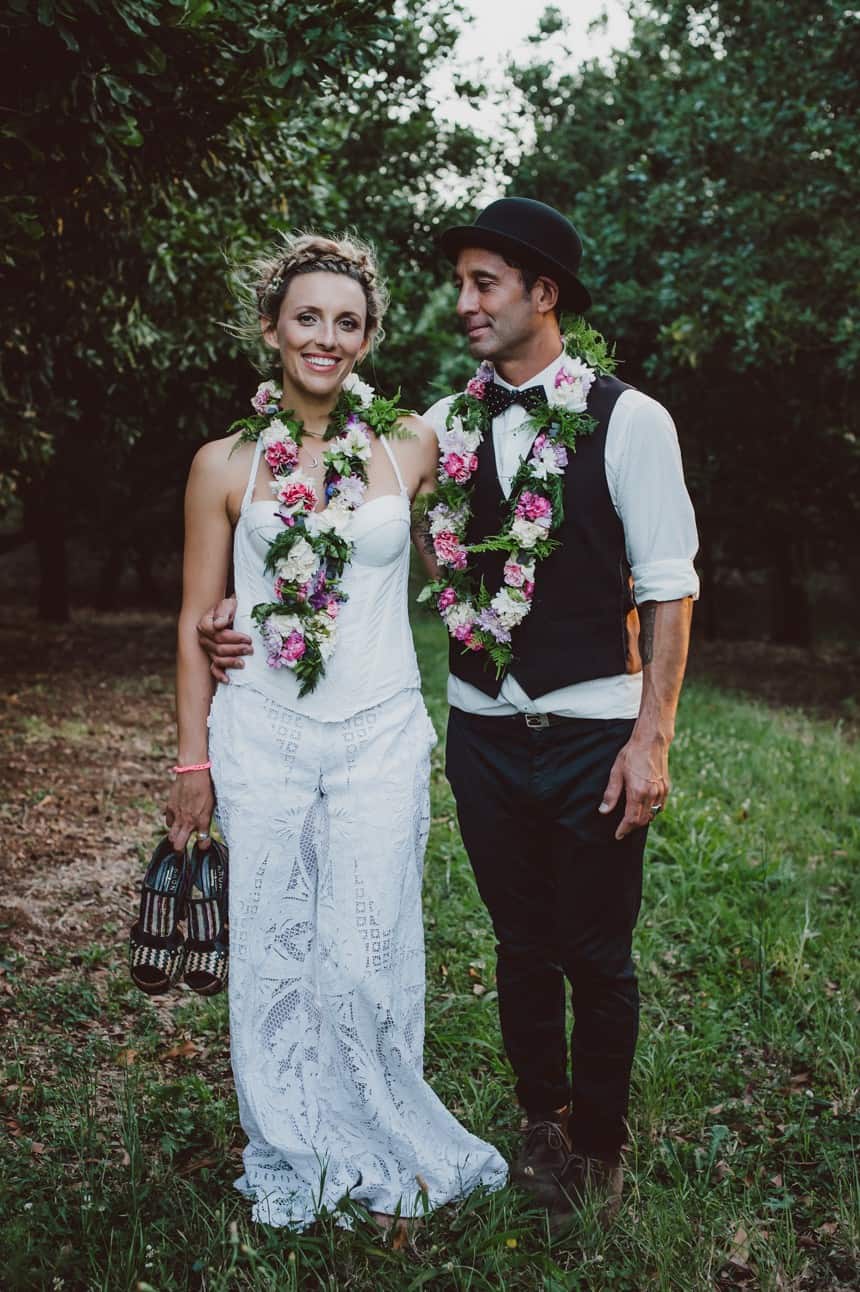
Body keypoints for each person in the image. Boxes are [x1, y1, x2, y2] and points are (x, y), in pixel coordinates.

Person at [199, 200, 699, 1225]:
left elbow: (667, 584)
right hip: (478, 726)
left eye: (483, 284)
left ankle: (598, 1145)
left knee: (595, 949)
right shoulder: (437, 424)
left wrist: (650, 736)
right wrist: (230, 610)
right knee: (519, 940)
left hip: (594, 728)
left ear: (541, 294)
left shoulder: (630, 419)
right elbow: (349, 527)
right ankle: (540, 1120)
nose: (461, 302)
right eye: (460, 282)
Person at [165, 231, 507, 1234]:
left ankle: (380, 1124)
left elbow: (514, 486)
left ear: (368, 338)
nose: (326, 336)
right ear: (271, 327)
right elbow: (194, 623)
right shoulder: (223, 461)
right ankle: (296, 1143)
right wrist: (191, 761)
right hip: (260, 729)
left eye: (347, 321)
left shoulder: (410, 443)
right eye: (306, 316)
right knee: (273, 950)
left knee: (367, 949)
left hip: (379, 730)